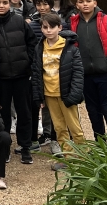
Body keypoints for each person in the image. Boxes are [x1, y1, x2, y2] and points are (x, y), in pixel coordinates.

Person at [0, 0, 37, 164]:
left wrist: (27, 62)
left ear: (9, 4)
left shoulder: (19, 21)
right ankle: (4, 147)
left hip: (21, 76)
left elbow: (32, 43)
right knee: (2, 114)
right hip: (0, 77)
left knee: (24, 112)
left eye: (5, 2)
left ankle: (25, 146)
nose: (1, 6)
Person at [69, 0, 107, 138]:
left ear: (95, 3)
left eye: (88, 1)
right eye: (81, 2)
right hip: (86, 75)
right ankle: (100, 146)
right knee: (93, 111)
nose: (85, 4)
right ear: (77, 5)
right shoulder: (73, 23)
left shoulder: (105, 19)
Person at [32, 13, 86, 170]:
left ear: (60, 28)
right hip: (49, 94)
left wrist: (75, 94)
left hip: (66, 94)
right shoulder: (39, 47)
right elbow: (36, 72)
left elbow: (78, 72)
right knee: (60, 128)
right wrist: (39, 96)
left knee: (75, 128)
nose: (48, 30)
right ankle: (68, 158)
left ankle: (82, 157)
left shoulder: (69, 47)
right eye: (45, 27)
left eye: (52, 27)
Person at [28, 0, 58, 151]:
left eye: (45, 4)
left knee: (54, 107)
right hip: (36, 71)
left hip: (54, 71)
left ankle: (55, 138)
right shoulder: (31, 25)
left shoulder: (59, 22)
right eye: (39, 4)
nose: (42, 7)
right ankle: (36, 138)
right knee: (35, 105)